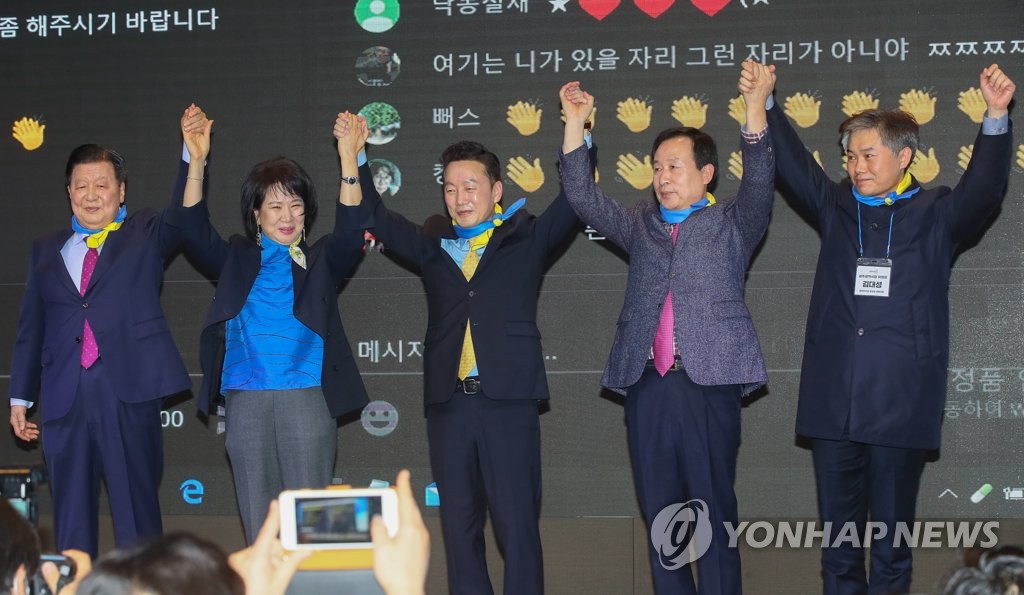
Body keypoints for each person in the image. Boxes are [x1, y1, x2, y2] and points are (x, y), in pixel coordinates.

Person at [766, 64, 1015, 593]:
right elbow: (792, 166)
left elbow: (984, 191)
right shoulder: (835, 206)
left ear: (903, 157)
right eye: (850, 157)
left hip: (900, 404)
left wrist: (995, 117)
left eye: (868, 155)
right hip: (833, 404)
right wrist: (766, 105)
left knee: (890, 548)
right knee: (838, 551)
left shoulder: (935, 212)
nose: (856, 166)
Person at [333, 109, 590, 595]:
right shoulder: (432, 243)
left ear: (497, 191)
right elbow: (377, 217)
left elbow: (575, 198)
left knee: (517, 529)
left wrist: (577, 127)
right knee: (459, 528)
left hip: (508, 403)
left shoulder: (527, 237)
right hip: (449, 406)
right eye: (450, 188)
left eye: (471, 186)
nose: (459, 197)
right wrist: (357, 155)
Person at [557, 61, 776, 595]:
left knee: (713, 510)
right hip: (648, 384)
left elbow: (761, 177)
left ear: (707, 173)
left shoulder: (735, 221)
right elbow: (581, 196)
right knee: (662, 516)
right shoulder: (639, 224)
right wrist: (576, 123)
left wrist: (755, 107)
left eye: (675, 166)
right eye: (657, 167)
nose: (663, 177)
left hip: (709, 383)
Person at [172, 105, 370, 544]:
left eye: (296, 206)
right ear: (256, 215)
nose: (287, 216)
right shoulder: (235, 257)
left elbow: (353, 232)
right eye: (275, 206)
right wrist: (196, 160)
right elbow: (189, 226)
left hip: (307, 398)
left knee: (312, 526)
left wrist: (349, 159)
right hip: (247, 401)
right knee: (260, 530)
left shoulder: (319, 259)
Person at [8, 120, 206, 556]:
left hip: (127, 391)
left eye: (102, 185)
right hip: (63, 397)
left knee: (136, 514)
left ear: (121, 191)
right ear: (69, 192)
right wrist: (20, 398)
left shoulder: (144, 232)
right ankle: (74, 582)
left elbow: (183, 217)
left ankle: (144, 584)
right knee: (70, 518)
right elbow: (30, 328)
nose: (91, 195)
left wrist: (193, 159)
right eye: (81, 186)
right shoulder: (46, 249)